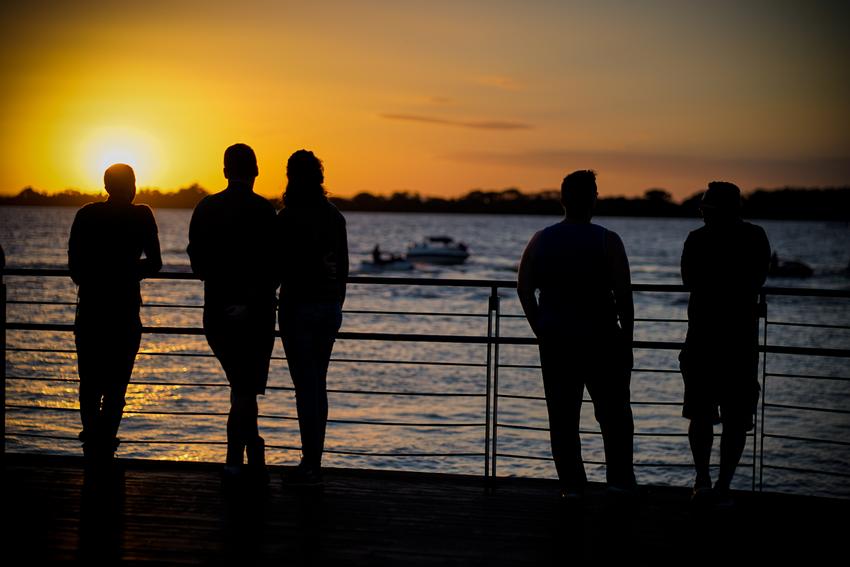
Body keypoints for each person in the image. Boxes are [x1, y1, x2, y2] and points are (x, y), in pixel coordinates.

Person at [517, 169, 637, 500]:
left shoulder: (540, 239)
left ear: (563, 200)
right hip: (602, 340)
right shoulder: (607, 240)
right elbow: (624, 298)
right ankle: (619, 482)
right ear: (592, 200)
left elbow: (524, 288)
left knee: (563, 417)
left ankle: (572, 487)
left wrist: (539, 326)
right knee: (614, 415)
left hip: (556, 340)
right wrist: (626, 342)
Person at [188, 143, 277, 484]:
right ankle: (238, 460)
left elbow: (197, 262)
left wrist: (226, 293)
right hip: (256, 315)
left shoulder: (206, 207)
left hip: (217, 313)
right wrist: (250, 301)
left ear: (225, 171)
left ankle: (249, 457)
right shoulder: (265, 211)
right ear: (255, 171)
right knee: (244, 387)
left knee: (242, 387)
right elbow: (274, 266)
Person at [680, 181, 770, 506]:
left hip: (704, 340)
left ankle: (705, 480)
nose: (704, 215)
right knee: (733, 419)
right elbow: (758, 277)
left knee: (704, 416)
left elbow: (689, 279)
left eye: (707, 210)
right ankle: (720, 485)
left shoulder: (697, 240)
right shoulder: (755, 237)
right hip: (738, 342)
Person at [68, 163, 162, 470]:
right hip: (124, 311)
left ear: (106, 186)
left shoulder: (86, 215)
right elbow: (156, 263)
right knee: (117, 385)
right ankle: (106, 443)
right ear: (131, 185)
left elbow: (76, 271)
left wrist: (101, 273)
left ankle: (92, 443)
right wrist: (125, 271)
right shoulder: (142, 215)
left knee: (90, 382)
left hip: (92, 310)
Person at [276, 149, 348, 486]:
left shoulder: (288, 218)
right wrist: (336, 302)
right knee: (318, 382)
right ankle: (314, 459)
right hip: (329, 307)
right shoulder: (334, 217)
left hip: (298, 306)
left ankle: (309, 461)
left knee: (305, 386)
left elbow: (277, 268)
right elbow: (343, 270)